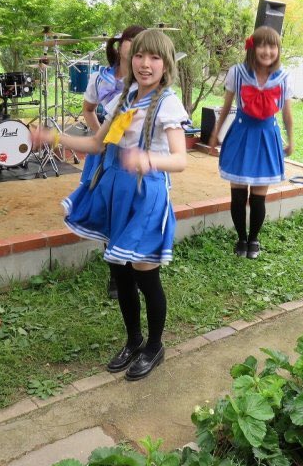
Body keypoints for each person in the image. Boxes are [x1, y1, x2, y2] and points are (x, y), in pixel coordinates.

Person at [35, 29, 188, 381]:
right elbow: (96, 144)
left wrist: (147, 159)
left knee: (146, 276)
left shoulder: (167, 103)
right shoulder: (125, 97)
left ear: (166, 65)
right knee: (120, 272)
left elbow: (180, 159)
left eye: (154, 58)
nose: (145, 64)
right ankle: (133, 341)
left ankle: (154, 346)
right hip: (116, 192)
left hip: (146, 196)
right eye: (140, 56)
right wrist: (54, 137)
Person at [209, 26, 294, 260]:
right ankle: (241, 238)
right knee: (238, 195)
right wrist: (216, 132)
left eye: (272, 46)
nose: (267, 51)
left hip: (267, 137)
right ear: (252, 48)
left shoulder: (284, 77)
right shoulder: (237, 73)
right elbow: (227, 106)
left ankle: (254, 239)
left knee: (258, 196)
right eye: (262, 45)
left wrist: (291, 139)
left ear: (278, 50)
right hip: (240, 134)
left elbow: (287, 113)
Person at [81, 25, 146, 299]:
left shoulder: (146, 81)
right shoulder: (100, 78)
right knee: (110, 210)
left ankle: (135, 267)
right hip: (106, 154)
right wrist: (102, 136)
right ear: (120, 45)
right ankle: (116, 275)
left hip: (135, 157)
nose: (136, 49)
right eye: (131, 42)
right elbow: (88, 109)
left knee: (134, 209)